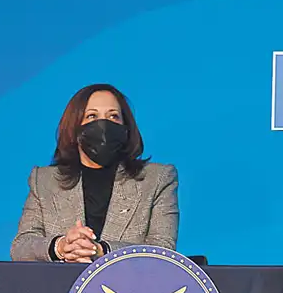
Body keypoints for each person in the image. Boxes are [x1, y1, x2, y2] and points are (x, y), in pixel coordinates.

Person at [10, 84, 178, 263]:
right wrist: (61, 247)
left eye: (113, 116)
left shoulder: (157, 179)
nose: (104, 125)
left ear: (126, 129)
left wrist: (101, 251)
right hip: (59, 288)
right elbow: (21, 246)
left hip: (130, 289)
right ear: (75, 129)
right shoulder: (44, 181)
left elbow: (162, 249)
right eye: (92, 116)